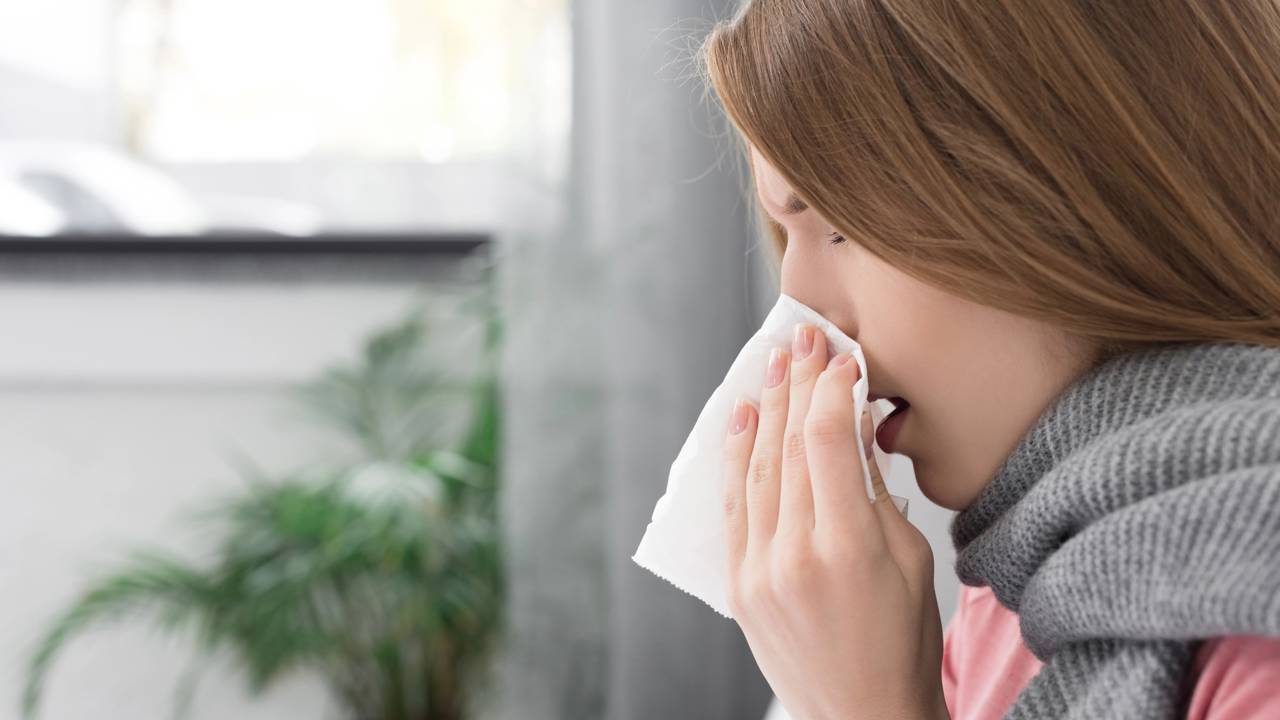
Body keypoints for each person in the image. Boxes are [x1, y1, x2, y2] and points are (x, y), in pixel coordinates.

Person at [704, 1, 1280, 718]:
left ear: (1069, 186)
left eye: (843, 229)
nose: (803, 315)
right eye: (789, 237)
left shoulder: (1254, 643)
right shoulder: (1022, 589)